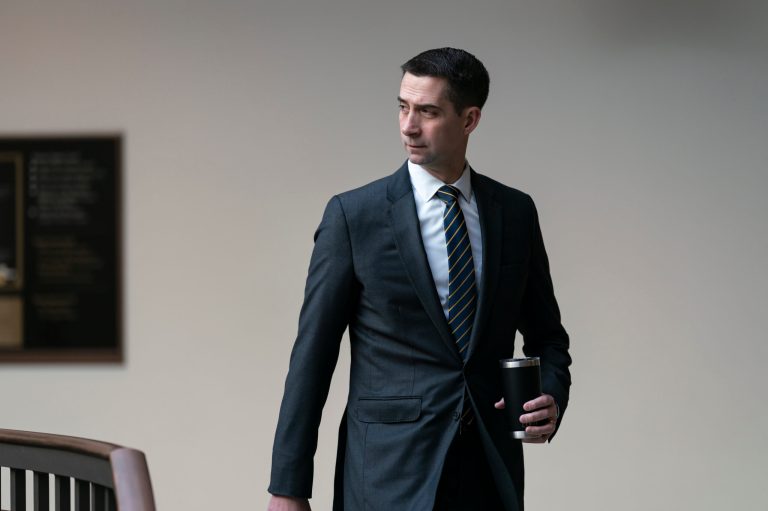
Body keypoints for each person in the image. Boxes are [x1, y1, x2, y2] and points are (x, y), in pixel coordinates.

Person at [267, 47, 571, 511]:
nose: (409, 126)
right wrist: (288, 488)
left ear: (469, 119)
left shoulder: (515, 212)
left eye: (428, 112)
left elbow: (548, 336)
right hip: (388, 473)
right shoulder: (354, 216)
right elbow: (312, 358)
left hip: (488, 471)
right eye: (403, 107)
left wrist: (550, 393)